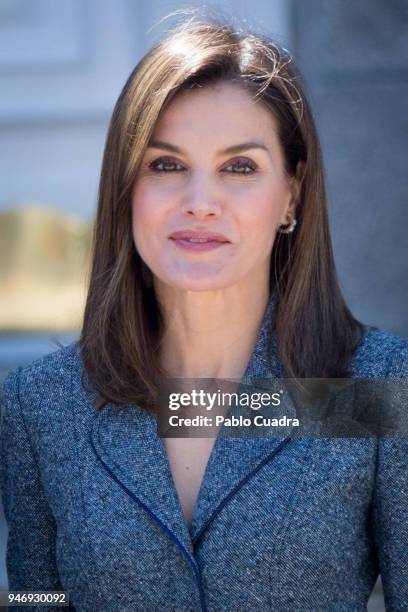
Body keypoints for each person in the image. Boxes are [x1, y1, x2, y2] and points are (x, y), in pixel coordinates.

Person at [1, 15, 407, 612]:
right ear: (125, 186)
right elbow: (36, 599)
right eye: (165, 165)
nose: (199, 203)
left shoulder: (373, 390)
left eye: (239, 167)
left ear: (291, 195)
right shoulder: (41, 406)